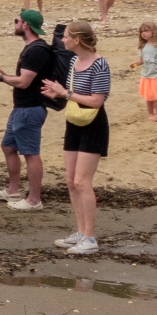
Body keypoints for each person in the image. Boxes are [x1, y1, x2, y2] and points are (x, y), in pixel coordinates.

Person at [39, 19, 108, 254]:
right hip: (74, 121)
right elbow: (74, 95)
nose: (62, 39)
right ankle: (80, 231)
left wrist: (65, 93)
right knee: (70, 181)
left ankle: (90, 238)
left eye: (66, 36)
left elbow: (97, 101)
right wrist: (57, 94)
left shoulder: (100, 64)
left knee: (82, 182)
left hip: (93, 123)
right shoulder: (74, 61)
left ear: (77, 39)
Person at [0, 9, 59, 211]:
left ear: (25, 25)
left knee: (30, 153)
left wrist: (0, 78)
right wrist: (3, 74)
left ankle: (34, 199)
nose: (15, 23)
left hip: (30, 108)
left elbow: (24, 82)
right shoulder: (31, 49)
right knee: (8, 146)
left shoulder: (36, 50)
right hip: (22, 108)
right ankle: (13, 190)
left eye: (17, 20)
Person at [130, 20, 157, 122]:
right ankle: (150, 113)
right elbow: (142, 61)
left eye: (146, 31)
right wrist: (135, 64)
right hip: (146, 75)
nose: (143, 33)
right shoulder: (143, 46)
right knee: (148, 97)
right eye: (141, 31)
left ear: (153, 32)